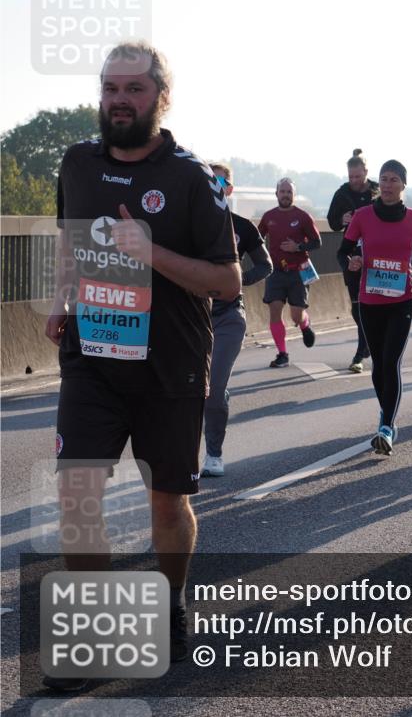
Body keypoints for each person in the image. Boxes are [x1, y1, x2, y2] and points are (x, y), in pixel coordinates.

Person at [44, 42, 241, 690]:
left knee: (167, 502)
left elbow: (227, 283)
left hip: (172, 364)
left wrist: (151, 252)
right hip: (92, 359)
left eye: (133, 88)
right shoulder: (76, 162)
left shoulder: (194, 179)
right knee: (77, 494)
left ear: (161, 97)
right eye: (109, 88)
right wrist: (60, 301)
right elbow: (71, 240)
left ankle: (174, 599)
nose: (118, 100)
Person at [337, 160, 412, 455]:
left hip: (402, 300)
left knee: (391, 362)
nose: (389, 184)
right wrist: (351, 262)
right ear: (379, 185)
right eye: (385, 179)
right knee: (378, 365)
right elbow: (343, 250)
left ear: (403, 184)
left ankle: (387, 427)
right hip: (370, 301)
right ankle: (386, 414)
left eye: (394, 179)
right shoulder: (363, 216)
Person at [202, 163, 273, 477]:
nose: (215, 184)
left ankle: (214, 454)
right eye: (209, 178)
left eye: (221, 180)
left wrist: (235, 281)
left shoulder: (242, 226)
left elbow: (266, 265)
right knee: (187, 391)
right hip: (191, 318)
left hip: (228, 316)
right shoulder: (183, 223)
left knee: (213, 389)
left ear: (229, 189)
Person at [259, 178, 321, 368]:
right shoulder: (268, 216)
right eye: (282, 191)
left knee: (295, 315)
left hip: (298, 272)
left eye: (289, 192)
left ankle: (304, 324)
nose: (285, 195)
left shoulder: (303, 216)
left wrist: (298, 246)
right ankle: (282, 354)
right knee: (275, 310)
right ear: (276, 193)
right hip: (276, 272)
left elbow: (317, 242)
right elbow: (257, 238)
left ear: (294, 195)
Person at [327, 148, 379, 372]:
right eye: (351, 177)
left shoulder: (378, 190)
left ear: (366, 172)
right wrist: (342, 218)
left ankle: (360, 352)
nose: (354, 181)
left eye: (358, 176)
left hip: (377, 253)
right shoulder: (342, 193)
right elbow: (331, 222)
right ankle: (367, 342)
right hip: (351, 253)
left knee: (369, 306)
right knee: (357, 307)